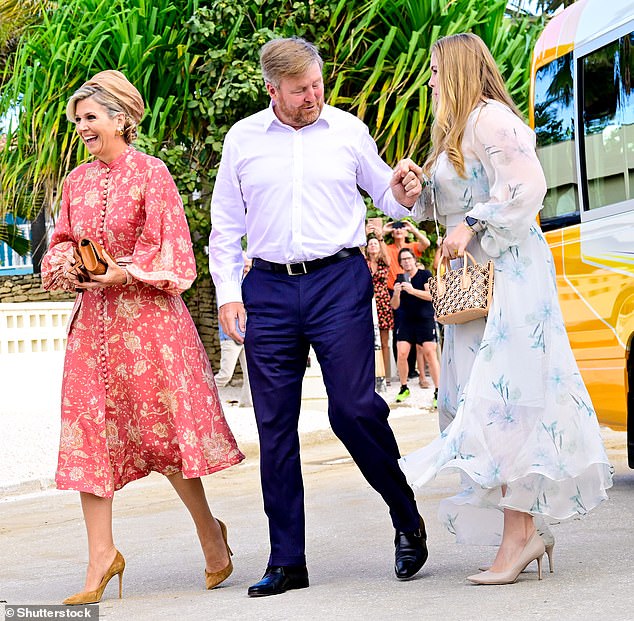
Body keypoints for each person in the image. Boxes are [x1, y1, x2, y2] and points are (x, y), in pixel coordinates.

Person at [209, 37, 428, 597]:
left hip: (338, 280)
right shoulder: (243, 139)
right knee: (274, 426)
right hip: (269, 291)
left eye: (317, 84)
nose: (314, 95)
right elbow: (225, 227)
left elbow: (389, 194)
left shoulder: (347, 131)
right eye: (301, 88)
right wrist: (230, 293)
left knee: (353, 409)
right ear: (272, 89)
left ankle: (405, 514)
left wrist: (403, 188)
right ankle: (287, 559)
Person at [399, 33, 612, 585]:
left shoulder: (491, 119)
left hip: (509, 281)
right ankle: (522, 532)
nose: (430, 80)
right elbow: (453, 201)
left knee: (505, 403)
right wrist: (415, 189)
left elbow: (527, 187)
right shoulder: (459, 130)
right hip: (477, 292)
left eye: (436, 70)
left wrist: (473, 224)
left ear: (460, 70)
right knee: (479, 404)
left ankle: (520, 537)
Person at [41, 70, 244, 604]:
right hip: (93, 330)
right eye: (78, 119)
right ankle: (101, 557)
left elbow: (174, 250)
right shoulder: (75, 183)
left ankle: (211, 536)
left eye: (91, 117)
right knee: (90, 437)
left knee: (165, 440)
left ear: (122, 118)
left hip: (150, 327)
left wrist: (122, 272)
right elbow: (59, 242)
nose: (82, 127)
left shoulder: (153, 174)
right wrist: (68, 265)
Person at [390, 248, 439, 406]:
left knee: (430, 353)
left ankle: (438, 391)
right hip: (406, 321)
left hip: (425, 319)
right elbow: (394, 306)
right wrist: (397, 293)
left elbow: (432, 296)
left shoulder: (425, 275)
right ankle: (404, 387)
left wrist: (412, 291)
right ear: (400, 263)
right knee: (402, 352)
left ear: (414, 259)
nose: (406, 261)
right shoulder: (400, 279)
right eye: (403, 259)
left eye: (408, 258)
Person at [383, 219, 430, 385]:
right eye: (395, 228)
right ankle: (404, 371)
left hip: (412, 288)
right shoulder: (388, 249)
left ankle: (412, 370)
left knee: (416, 330)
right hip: (395, 290)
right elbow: (379, 250)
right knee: (400, 331)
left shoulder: (411, 248)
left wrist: (412, 228)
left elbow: (426, 243)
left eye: (401, 228)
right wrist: (384, 230)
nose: (398, 230)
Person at [215, 254, 252, 407]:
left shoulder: (249, 282)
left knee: (250, 374)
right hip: (230, 337)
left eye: (249, 266)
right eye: (244, 265)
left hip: (247, 336)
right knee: (225, 374)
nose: (247, 268)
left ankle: (247, 404)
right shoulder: (228, 286)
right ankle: (201, 396)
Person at [365, 233, 394, 385]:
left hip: (382, 302)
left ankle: (386, 375)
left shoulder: (384, 262)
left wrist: (380, 238)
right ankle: (371, 375)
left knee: (384, 341)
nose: (373, 246)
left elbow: (388, 258)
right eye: (370, 244)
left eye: (375, 243)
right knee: (367, 340)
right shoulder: (364, 263)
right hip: (367, 302)